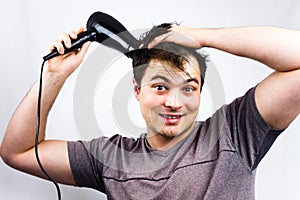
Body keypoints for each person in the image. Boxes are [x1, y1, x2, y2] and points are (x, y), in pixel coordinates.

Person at [0, 22, 299, 199]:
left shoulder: (235, 132)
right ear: (137, 91)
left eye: (188, 87)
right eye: (160, 87)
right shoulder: (111, 158)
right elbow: (19, 151)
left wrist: (202, 36)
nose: (174, 102)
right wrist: (53, 77)